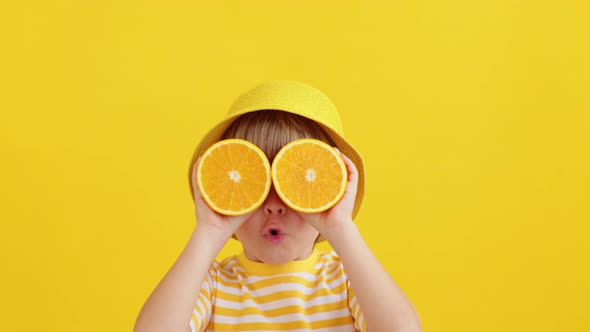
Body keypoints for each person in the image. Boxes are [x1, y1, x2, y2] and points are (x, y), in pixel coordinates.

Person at [134, 80, 422, 332]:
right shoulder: (213, 286)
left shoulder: (348, 281)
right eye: (256, 184)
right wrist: (209, 232)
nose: (274, 205)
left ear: (328, 189)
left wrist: (340, 226)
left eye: (294, 185)